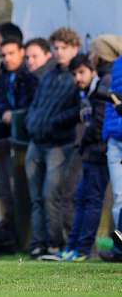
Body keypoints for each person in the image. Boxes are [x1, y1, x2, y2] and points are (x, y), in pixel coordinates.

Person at [25, 27, 81, 259]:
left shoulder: (77, 75)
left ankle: (56, 243)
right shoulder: (49, 74)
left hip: (59, 144)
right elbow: (36, 104)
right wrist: (31, 121)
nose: (58, 52)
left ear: (75, 48)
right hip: (36, 141)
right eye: (56, 48)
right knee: (36, 196)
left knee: (52, 195)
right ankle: (39, 244)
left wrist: (53, 123)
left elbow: (77, 111)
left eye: (63, 48)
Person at [56, 54, 111, 261]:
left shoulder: (101, 89)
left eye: (81, 72)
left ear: (92, 70)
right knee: (80, 200)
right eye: (74, 74)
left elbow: (98, 125)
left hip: (99, 153)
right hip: (89, 153)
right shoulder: (86, 94)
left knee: (92, 201)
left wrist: (84, 140)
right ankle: (73, 247)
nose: (78, 78)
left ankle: (84, 249)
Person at [0, 36, 38, 248]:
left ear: (21, 52)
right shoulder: (3, 75)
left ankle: (30, 241)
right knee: (9, 192)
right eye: (3, 55)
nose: (7, 59)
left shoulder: (29, 76)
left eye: (11, 53)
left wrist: (16, 115)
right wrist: (4, 112)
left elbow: (30, 105)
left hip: (26, 140)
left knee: (27, 192)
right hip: (10, 138)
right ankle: (18, 240)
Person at [99, 45, 122, 263]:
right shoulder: (118, 65)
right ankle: (120, 249)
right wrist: (107, 132)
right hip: (115, 138)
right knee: (118, 198)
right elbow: (111, 104)